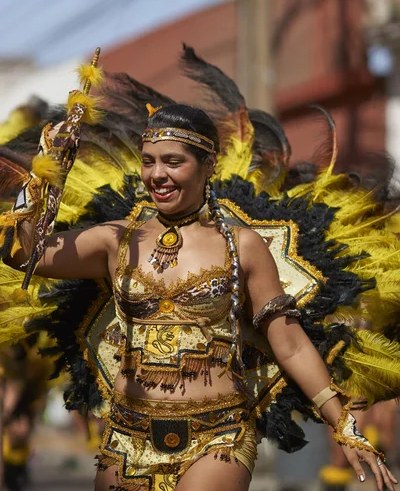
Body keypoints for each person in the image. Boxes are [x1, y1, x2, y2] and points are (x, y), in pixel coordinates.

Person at [4, 101, 397, 491]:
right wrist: (47, 170)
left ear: (208, 164)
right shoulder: (115, 241)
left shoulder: (242, 246)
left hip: (218, 436)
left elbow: (290, 344)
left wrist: (344, 425)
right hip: (126, 437)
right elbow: (25, 256)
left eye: (173, 162)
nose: (157, 174)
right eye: (149, 161)